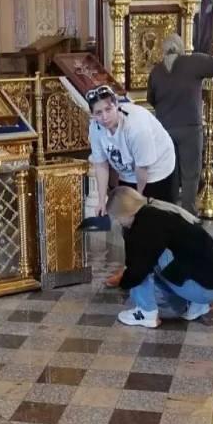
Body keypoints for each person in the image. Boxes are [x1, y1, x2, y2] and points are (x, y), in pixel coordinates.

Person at [87, 84, 176, 288]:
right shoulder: (95, 128)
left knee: (157, 222)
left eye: (108, 109)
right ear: (93, 115)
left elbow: (142, 168)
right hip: (128, 171)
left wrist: (138, 200)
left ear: (116, 105)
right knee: (127, 224)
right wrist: (101, 199)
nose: (104, 117)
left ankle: (168, 273)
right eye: (98, 113)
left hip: (157, 169)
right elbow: (101, 164)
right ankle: (132, 270)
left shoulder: (136, 127)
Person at [108, 186, 213, 327]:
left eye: (116, 218)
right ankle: (196, 306)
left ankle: (146, 313)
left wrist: (125, 282)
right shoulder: (160, 209)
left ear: (124, 213)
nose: (118, 222)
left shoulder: (145, 224)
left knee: (141, 259)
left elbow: (138, 269)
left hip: (202, 288)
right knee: (157, 257)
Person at [147, 34, 213, 213]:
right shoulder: (193, 62)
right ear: (181, 47)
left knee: (170, 173)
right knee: (190, 175)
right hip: (190, 128)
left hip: (165, 129)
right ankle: (188, 214)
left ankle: (170, 212)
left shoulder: (156, 71)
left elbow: (151, 98)